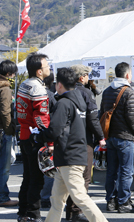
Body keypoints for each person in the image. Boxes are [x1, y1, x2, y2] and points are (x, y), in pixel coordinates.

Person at [30, 67, 108, 222]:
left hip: (69, 156)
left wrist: (39, 135)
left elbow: (54, 130)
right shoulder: (80, 100)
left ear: (59, 84)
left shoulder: (64, 103)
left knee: (79, 197)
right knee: (57, 199)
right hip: (75, 153)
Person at [66, 64, 106, 221]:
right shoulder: (85, 93)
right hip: (84, 139)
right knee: (84, 177)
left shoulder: (65, 91)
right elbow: (92, 119)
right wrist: (101, 137)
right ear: (82, 77)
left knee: (70, 177)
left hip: (68, 138)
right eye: (87, 76)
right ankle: (77, 211)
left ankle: (71, 210)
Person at [100, 62, 134, 213]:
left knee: (112, 170)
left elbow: (102, 113)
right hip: (125, 137)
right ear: (128, 74)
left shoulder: (106, 91)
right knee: (126, 171)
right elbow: (131, 117)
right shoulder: (130, 92)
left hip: (110, 136)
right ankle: (124, 203)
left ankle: (111, 201)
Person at [16, 52, 51, 222]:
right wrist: (48, 138)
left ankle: (23, 211)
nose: (49, 68)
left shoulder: (24, 84)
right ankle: (32, 214)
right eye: (47, 66)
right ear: (39, 71)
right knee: (36, 179)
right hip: (34, 136)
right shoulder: (38, 88)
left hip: (24, 134)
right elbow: (41, 117)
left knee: (28, 176)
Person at [0, 60, 18, 207]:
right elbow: (5, 112)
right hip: (2, 131)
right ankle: (3, 197)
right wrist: (10, 131)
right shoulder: (5, 88)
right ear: (8, 73)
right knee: (4, 166)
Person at [40, 72, 57, 210]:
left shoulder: (29, 91)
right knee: (48, 166)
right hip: (47, 135)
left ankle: (40, 196)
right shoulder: (50, 96)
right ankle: (45, 197)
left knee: (36, 168)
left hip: (33, 134)